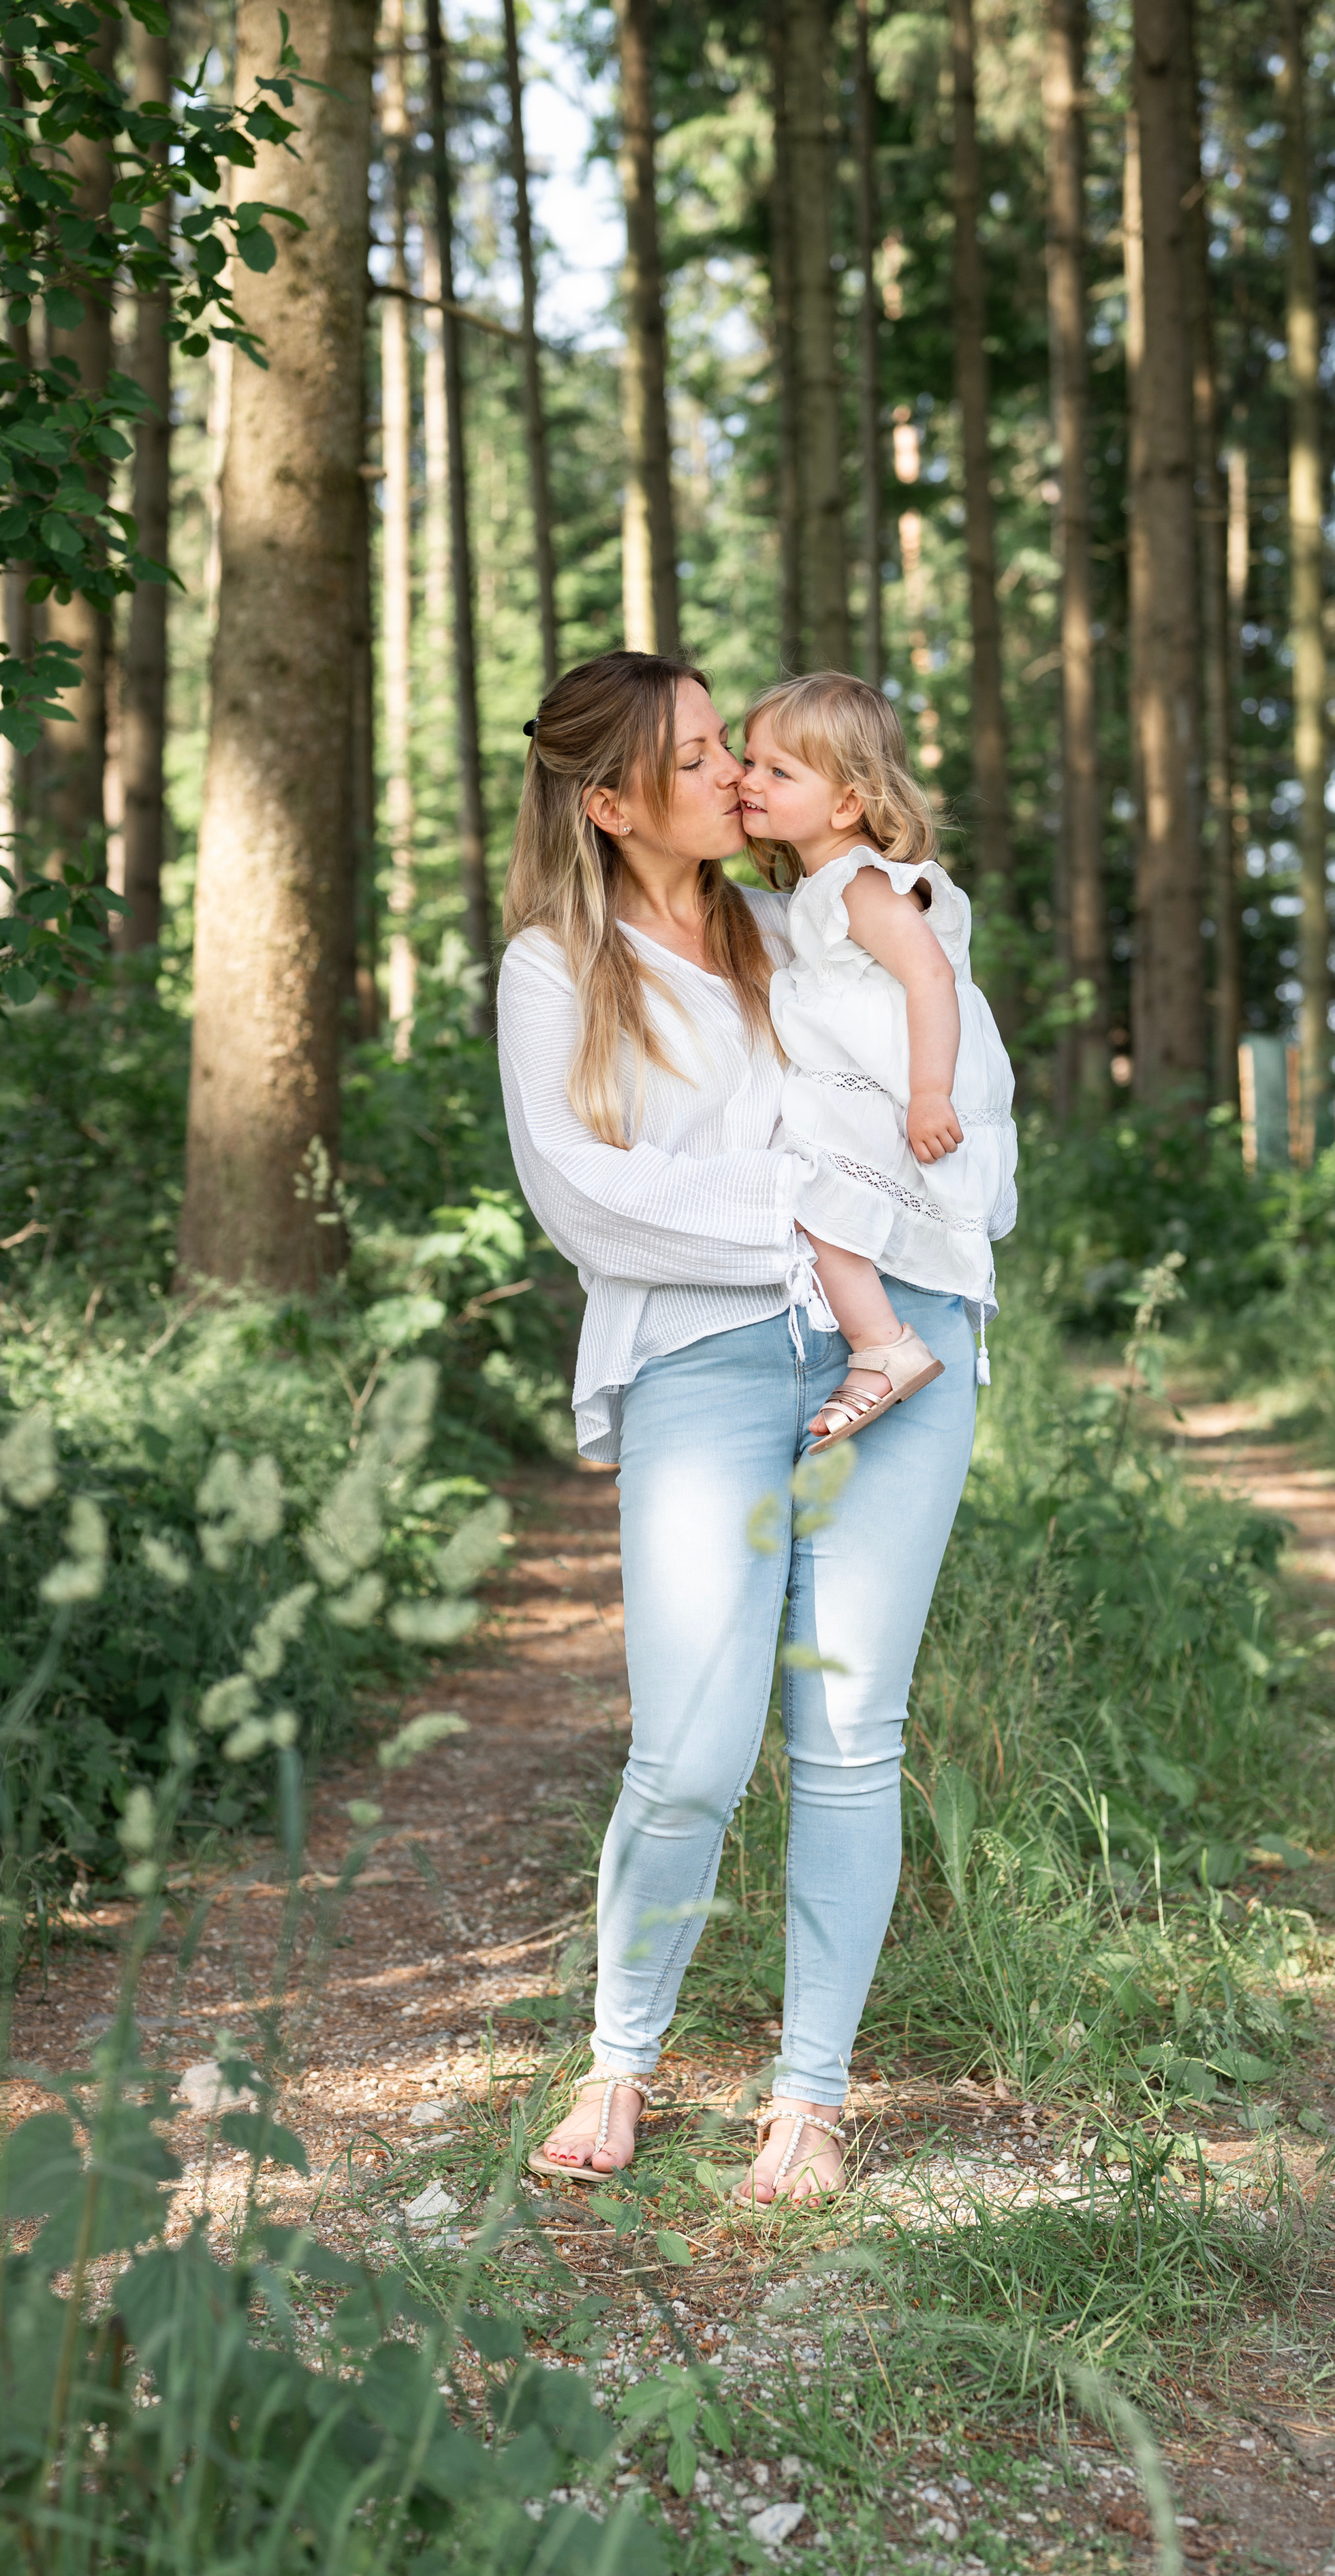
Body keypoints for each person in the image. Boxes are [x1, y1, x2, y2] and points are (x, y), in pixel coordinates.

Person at [496, 650, 1007, 2203]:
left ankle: (810, 2097)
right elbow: (587, 1195)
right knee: (689, 1747)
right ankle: (620, 2060)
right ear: (608, 804)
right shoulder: (553, 969)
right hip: (703, 1357)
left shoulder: (809, 925)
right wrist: (806, 1201)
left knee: (849, 1733)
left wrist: (885, 1221)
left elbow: (954, 1094)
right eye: (697, 754)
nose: (732, 771)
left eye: (735, 745)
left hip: (901, 1337)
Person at [740, 672, 1017, 1448]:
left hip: (894, 1085)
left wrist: (929, 1094)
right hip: (875, 1080)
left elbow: (932, 978)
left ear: (846, 804)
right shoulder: (830, 879)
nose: (748, 781)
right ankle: (878, 1341)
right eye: (750, 760)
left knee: (806, 1188)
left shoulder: (861, 883)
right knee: (813, 1195)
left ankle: (883, 1346)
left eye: (778, 772)